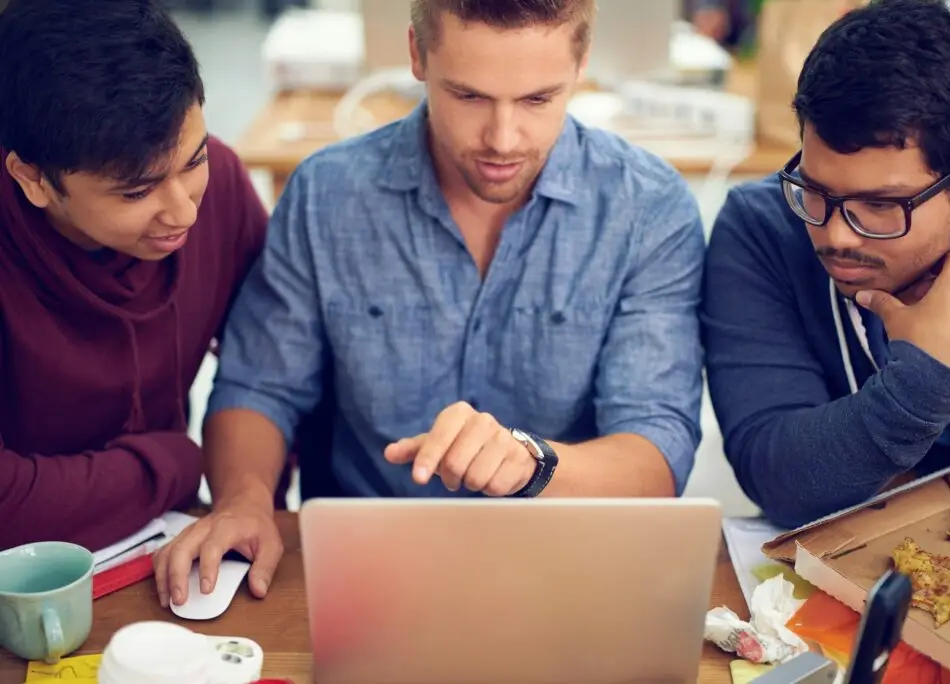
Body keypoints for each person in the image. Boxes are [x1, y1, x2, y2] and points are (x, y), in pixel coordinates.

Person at [154, 0, 707, 607]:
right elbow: (259, 388)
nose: (502, 139)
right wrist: (244, 501)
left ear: (582, 64)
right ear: (417, 56)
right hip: (365, 565)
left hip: (570, 566)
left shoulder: (648, 209)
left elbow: (656, 450)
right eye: (468, 96)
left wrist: (533, 464)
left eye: (537, 99)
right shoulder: (325, 195)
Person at [701, 0, 950, 529]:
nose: (834, 234)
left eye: (881, 205)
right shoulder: (761, 227)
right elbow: (778, 477)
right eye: (815, 189)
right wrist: (925, 383)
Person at [0, 0, 268, 551]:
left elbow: (280, 369)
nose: (185, 213)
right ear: (33, 179)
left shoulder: (222, 192)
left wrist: (245, 493)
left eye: (193, 161)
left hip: (169, 542)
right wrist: (174, 462)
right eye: (137, 192)